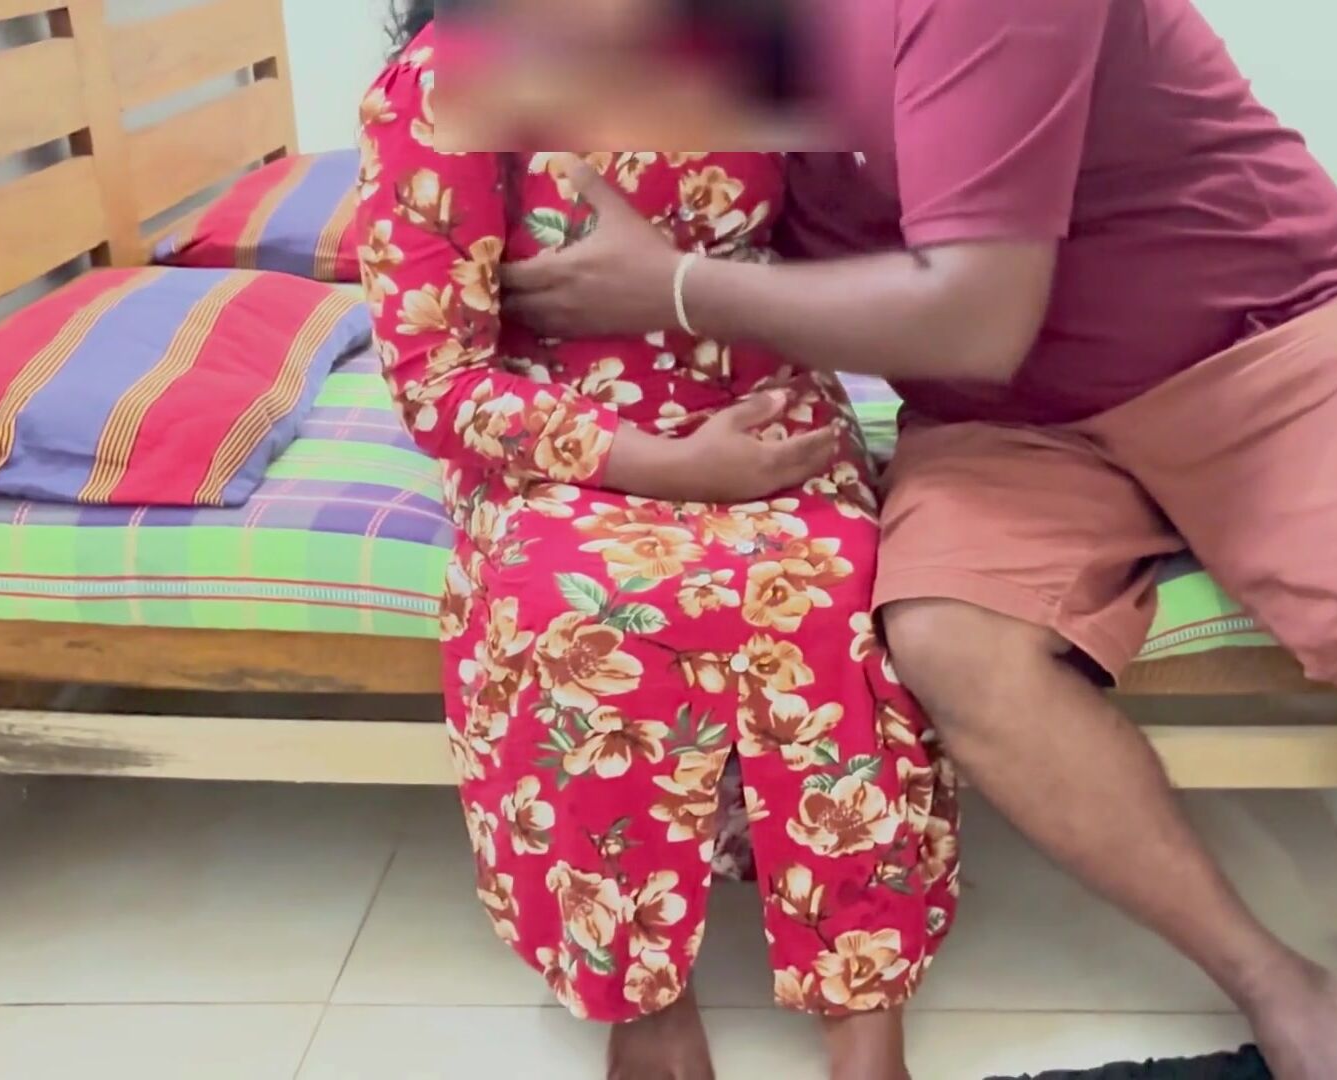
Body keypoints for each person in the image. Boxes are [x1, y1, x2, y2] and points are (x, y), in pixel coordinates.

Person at [494, 2, 1337, 1079]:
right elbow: (471, 164)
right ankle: (1266, 975)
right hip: (1000, 415)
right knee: (950, 638)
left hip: (1265, 338)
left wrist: (679, 290)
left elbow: (974, 315)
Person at [357, 11, 958, 1080]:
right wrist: (668, 468)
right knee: (583, 612)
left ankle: (866, 1015)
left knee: (841, 594)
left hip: (758, 400)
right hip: (558, 437)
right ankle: (647, 1006)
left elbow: (843, 241)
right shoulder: (449, 80)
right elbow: (435, 379)